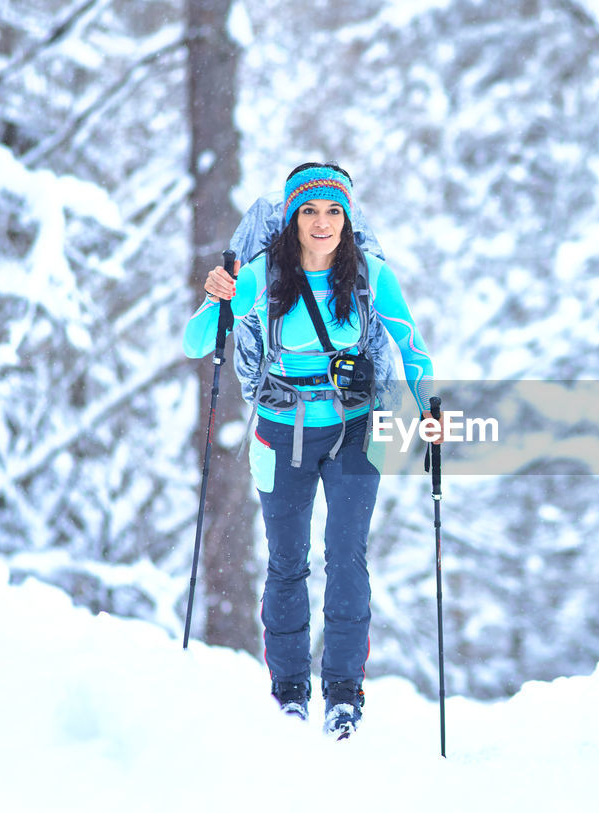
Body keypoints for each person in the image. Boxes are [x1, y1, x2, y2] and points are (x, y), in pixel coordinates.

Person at [183, 162, 436, 737]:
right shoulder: (261, 277)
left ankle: (344, 697)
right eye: (309, 211)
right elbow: (197, 341)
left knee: (347, 560)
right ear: (292, 219)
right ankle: (290, 694)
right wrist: (215, 296)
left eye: (333, 211)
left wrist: (429, 408)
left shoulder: (371, 275)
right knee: (286, 564)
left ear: (347, 218)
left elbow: (412, 348)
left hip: (353, 430)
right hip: (279, 430)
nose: (322, 223)